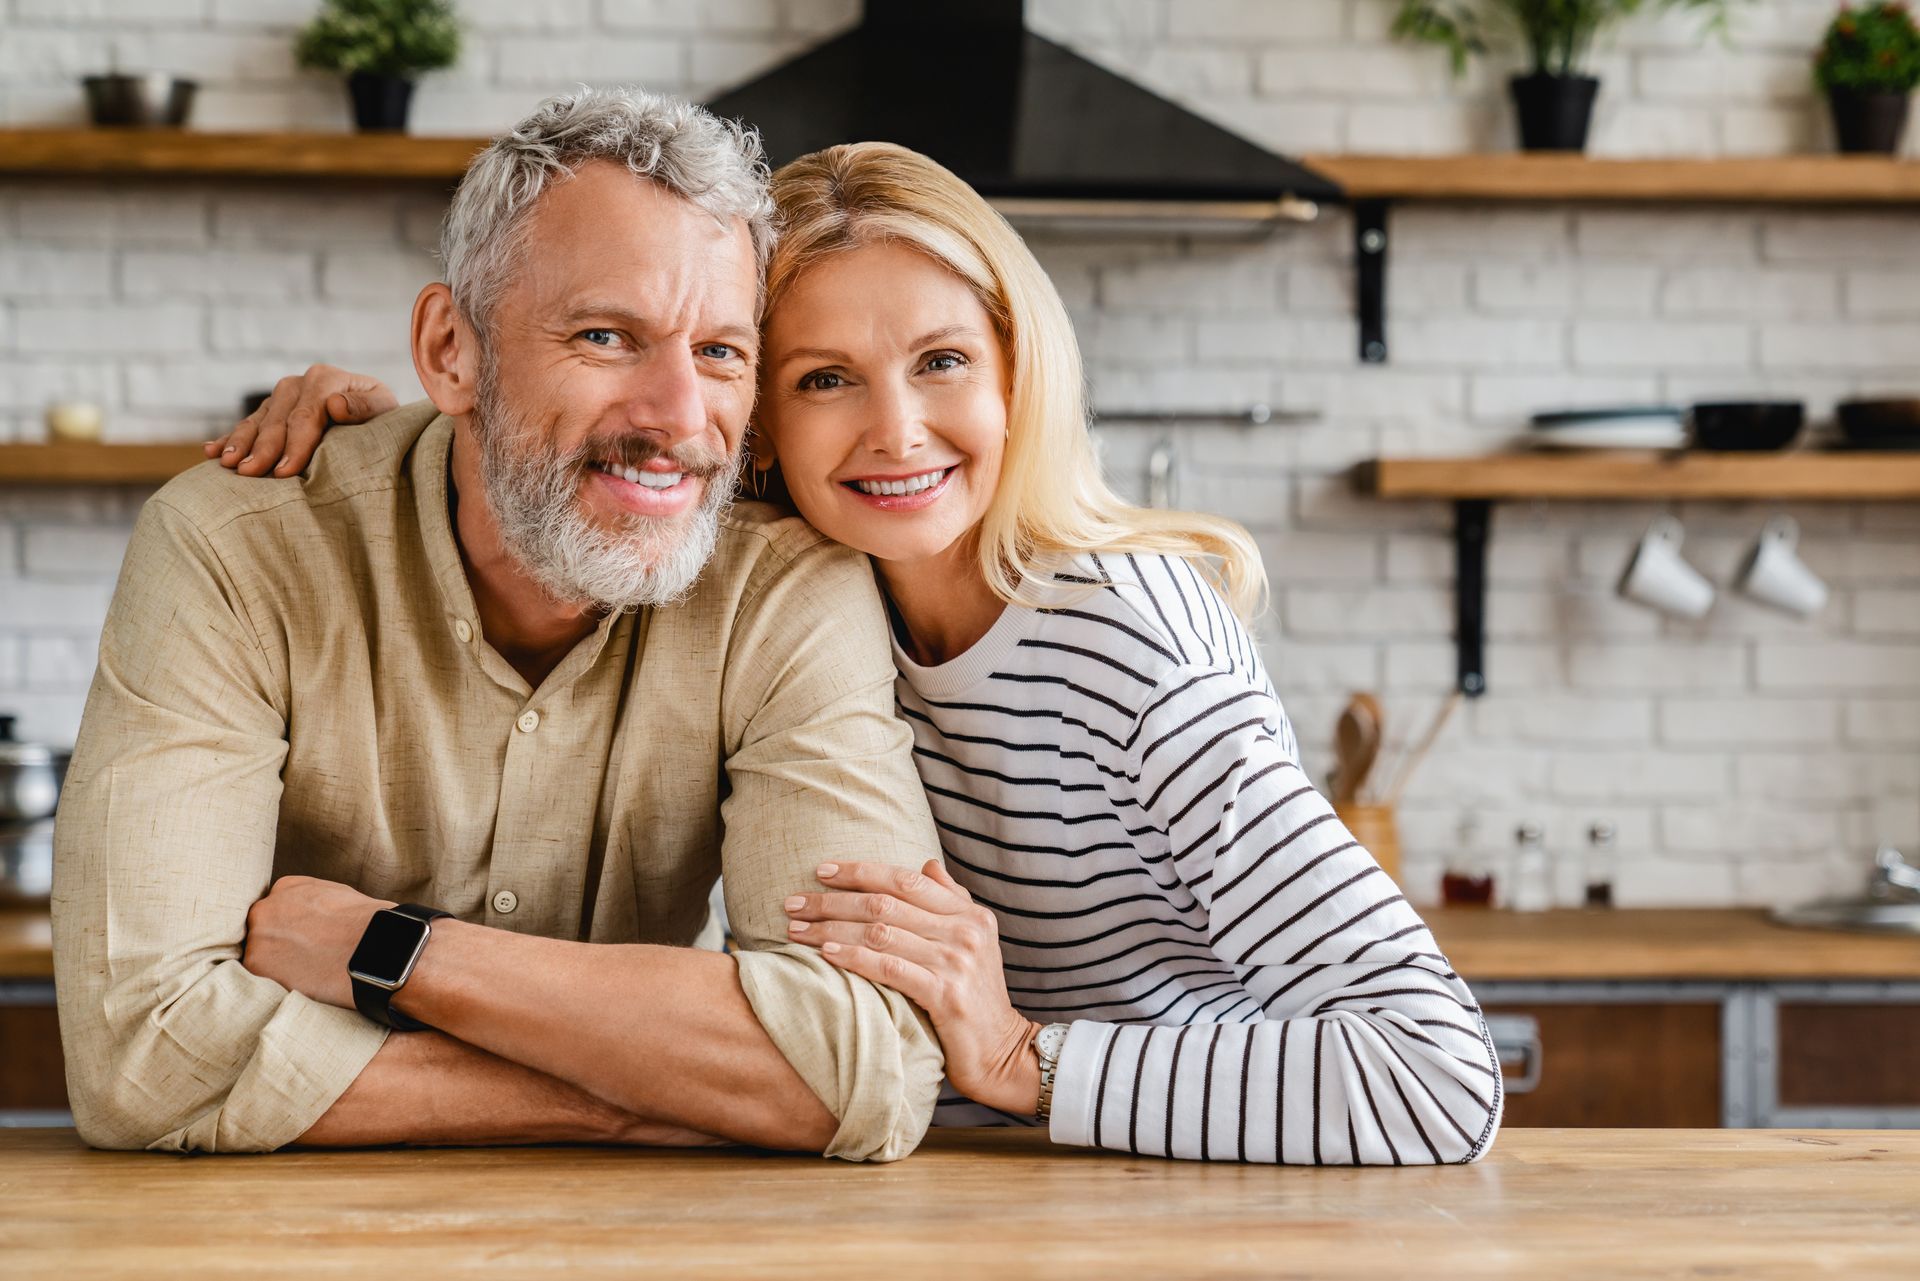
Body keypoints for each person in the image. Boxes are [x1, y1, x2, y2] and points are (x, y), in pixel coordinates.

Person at [215, 142, 1503, 1164]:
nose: (896, 432)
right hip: (951, 1188)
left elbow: (1437, 1075)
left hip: (1198, 1204)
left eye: (941, 361)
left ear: (1018, 371)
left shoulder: (1129, 644)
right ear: (758, 418)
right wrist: (395, 427)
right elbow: (597, 458)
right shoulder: (797, 594)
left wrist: (1016, 1060)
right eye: (825, 377)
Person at [51, 89, 947, 1161]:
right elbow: (140, 1058)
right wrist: (637, 1096)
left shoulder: (786, 588)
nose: (675, 414)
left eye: (719, 352)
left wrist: (396, 953)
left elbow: (869, 1068)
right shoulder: (236, 550)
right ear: (451, 350)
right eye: (607, 336)